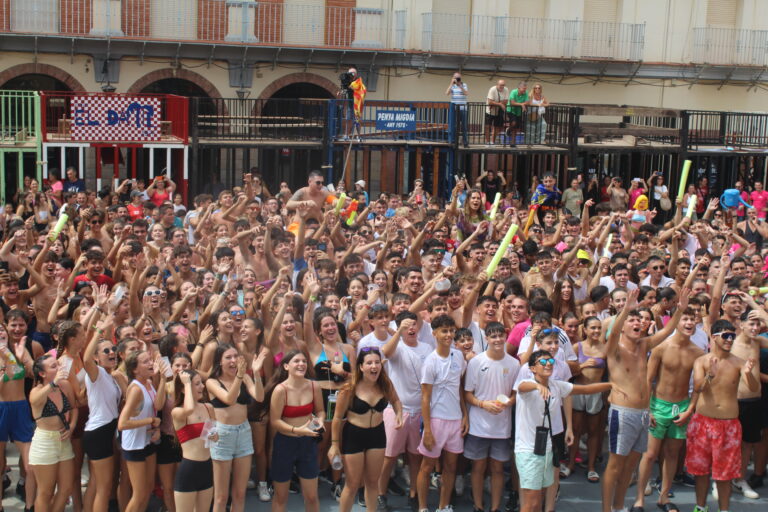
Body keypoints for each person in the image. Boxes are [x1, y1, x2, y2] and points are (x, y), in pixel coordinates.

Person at [514, 349, 612, 512]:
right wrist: (537, 386)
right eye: (543, 362)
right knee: (530, 504)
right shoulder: (526, 386)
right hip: (528, 451)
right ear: (532, 368)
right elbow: (522, 386)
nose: (548, 365)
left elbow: (586, 389)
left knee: (539, 501)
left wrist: (611, 385)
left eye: (550, 361)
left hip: (547, 449)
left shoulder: (556, 385)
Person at [686, 320, 759, 512]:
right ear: (715, 337)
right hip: (702, 423)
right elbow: (699, 388)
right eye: (726, 336)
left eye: (732, 336)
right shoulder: (701, 361)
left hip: (729, 425)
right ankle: (700, 507)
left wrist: (750, 374)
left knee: (724, 475)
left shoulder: (739, 363)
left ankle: (723, 510)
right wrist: (710, 374)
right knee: (700, 472)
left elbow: (754, 388)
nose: (730, 340)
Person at [327, 347, 403, 512]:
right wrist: (334, 444)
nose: (374, 366)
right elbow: (337, 418)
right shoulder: (349, 388)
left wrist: (399, 414)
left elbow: (396, 401)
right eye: (369, 363)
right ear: (361, 367)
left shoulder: (385, 384)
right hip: (354, 435)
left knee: (372, 482)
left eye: (377, 362)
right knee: (353, 484)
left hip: (377, 435)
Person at [463, 321, 519, 512]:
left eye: (500, 336)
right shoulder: (476, 362)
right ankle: (478, 506)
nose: (497, 340)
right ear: (486, 338)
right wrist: (483, 404)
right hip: (478, 426)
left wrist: (510, 402)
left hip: (501, 427)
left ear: (505, 337)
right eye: (493, 336)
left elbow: (515, 392)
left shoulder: (514, 363)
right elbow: (467, 393)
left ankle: (495, 508)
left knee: (497, 469)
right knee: (477, 469)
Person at [416, 314, 467, 512]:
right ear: (434, 333)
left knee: (451, 467)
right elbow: (425, 397)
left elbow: (459, 388)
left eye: (451, 330)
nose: (449, 334)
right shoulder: (430, 361)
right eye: (444, 331)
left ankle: (443, 506)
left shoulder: (459, 356)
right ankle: (422, 507)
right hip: (436, 421)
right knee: (427, 467)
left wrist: (465, 416)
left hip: (455, 421)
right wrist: (427, 429)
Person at [205, 344, 265, 512]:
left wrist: (256, 373)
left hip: (244, 432)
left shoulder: (245, 377)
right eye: (228, 358)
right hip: (222, 434)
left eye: (235, 357)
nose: (233, 361)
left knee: (240, 493)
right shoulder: (212, 382)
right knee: (221, 496)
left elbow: (259, 396)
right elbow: (229, 399)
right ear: (219, 362)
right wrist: (239, 376)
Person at [267, 350, 324, 512]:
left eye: (304, 361)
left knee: (312, 496)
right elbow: (275, 421)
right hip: (285, 444)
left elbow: (320, 411)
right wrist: (296, 430)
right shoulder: (280, 390)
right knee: (281, 497)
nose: (301, 364)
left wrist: (319, 421)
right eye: (296, 361)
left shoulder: (314, 386)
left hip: (308, 443)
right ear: (286, 366)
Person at [28, 353, 77, 512]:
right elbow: (35, 402)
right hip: (45, 442)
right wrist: (53, 383)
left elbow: (74, 407)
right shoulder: (37, 391)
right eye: (53, 366)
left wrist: (72, 426)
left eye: (58, 364)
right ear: (42, 374)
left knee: (66, 489)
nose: (59, 368)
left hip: (63, 440)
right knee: (45, 492)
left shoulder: (65, 385)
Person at [172, 369, 216, 512]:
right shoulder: (178, 412)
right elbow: (189, 409)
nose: (202, 387)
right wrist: (186, 384)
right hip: (189, 469)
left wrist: (214, 436)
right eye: (197, 384)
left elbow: (213, 436)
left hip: (206, 467)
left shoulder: (208, 407)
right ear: (184, 389)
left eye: (201, 383)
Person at [446, 72, 469, 148]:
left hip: (463, 108)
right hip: (454, 108)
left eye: (459, 78)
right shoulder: (452, 86)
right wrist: (451, 84)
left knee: (464, 126)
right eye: (456, 78)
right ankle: (454, 141)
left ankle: (465, 142)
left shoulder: (464, 84)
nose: (457, 79)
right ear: (453, 78)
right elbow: (447, 93)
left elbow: (466, 93)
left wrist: (460, 86)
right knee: (454, 125)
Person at [485, 80, 509, 145]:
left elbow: (506, 101)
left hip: (499, 111)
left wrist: (496, 104)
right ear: (497, 85)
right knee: (488, 126)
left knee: (497, 127)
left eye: (503, 85)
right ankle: (487, 142)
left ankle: (492, 142)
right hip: (490, 110)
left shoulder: (506, 90)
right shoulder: (492, 89)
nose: (502, 86)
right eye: (501, 85)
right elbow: (490, 102)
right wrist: (501, 104)